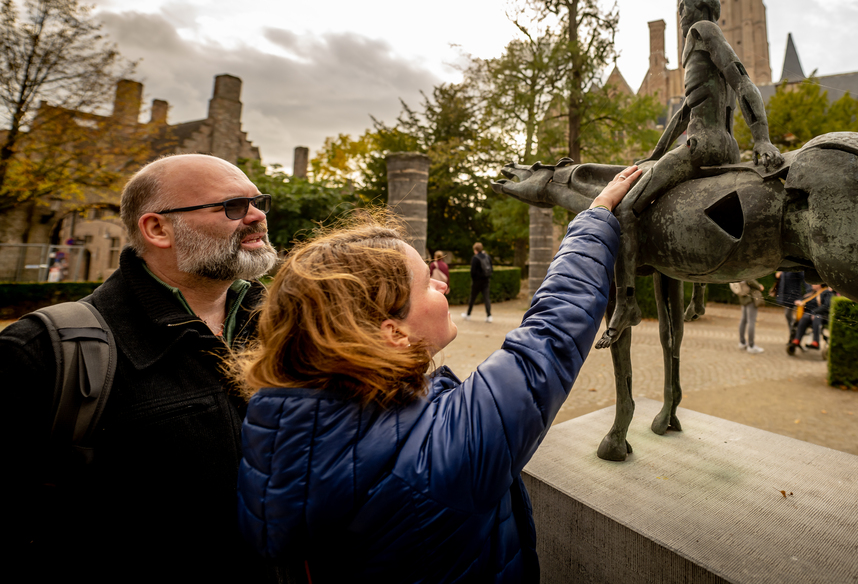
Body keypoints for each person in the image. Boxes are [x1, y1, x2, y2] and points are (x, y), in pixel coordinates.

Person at [233, 166, 641, 582]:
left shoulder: (278, 434)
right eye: (428, 283)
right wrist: (596, 216)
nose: (443, 286)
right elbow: (550, 335)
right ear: (392, 333)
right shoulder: (437, 453)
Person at [0, 154, 281, 582]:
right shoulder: (42, 351)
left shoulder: (285, 328)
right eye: (233, 206)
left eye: (257, 202)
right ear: (157, 229)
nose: (258, 216)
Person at [600, 0, 783, 347]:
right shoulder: (698, 49)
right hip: (719, 143)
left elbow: (744, 82)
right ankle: (698, 296)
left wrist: (762, 138)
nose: (680, 15)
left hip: (704, 144)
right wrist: (654, 153)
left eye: (682, 8)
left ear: (695, 10)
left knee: (623, 209)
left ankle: (626, 304)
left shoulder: (702, 30)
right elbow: (683, 111)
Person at [791, 282, 833, 351]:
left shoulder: (827, 292)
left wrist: (814, 312)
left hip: (823, 315)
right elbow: (807, 300)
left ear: (819, 284)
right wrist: (800, 302)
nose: (812, 284)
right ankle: (797, 339)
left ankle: (816, 342)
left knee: (816, 317)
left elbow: (826, 306)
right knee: (805, 317)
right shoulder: (813, 292)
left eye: (814, 283)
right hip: (812, 314)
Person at [733, 278, 765, 353]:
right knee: (751, 321)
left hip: (743, 296)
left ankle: (742, 342)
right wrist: (759, 286)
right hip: (750, 297)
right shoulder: (745, 268)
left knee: (743, 320)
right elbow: (749, 279)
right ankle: (751, 346)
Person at [464, 241, 494, 322]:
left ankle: (468, 314)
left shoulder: (475, 258)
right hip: (486, 281)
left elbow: (472, 272)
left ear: (475, 249)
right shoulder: (487, 257)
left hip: (477, 282)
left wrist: (474, 279)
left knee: (472, 298)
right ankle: (489, 316)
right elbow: (491, 268)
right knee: (487, 298)